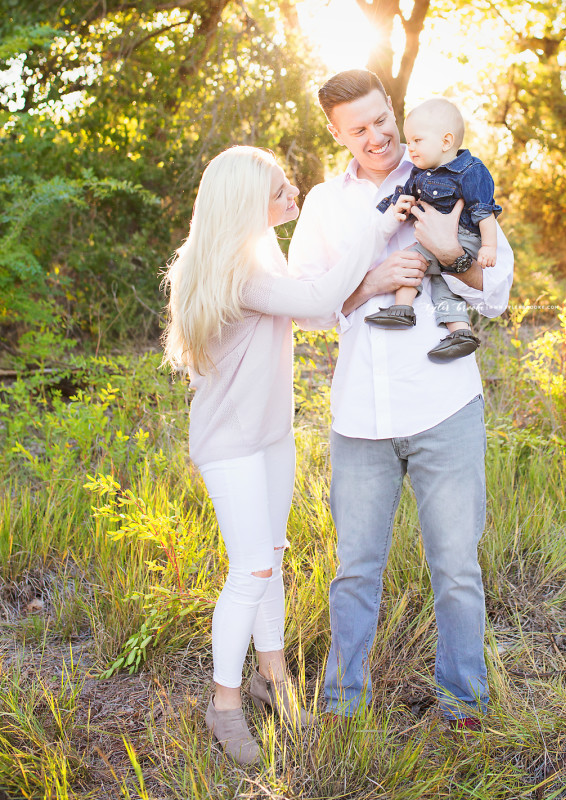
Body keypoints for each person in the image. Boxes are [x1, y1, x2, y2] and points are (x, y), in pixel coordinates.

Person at [161, 145, 411, 765]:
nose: (293, 191)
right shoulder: (231, 272)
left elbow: (317, 303)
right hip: (231, 444)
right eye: (280, 188)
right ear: (249, 202)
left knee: (270, 557)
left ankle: (273, 681)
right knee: (250, 570)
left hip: (268, 433)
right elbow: (319, 296)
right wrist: (377, 229)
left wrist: (356, 278)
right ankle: (224, 704)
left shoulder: (255, 253)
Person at [288, 69, 514, 727]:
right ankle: (341, 708)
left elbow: (494, 289)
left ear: (394, 109)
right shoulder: (327, 205)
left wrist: (448, 251)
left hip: (445, 404)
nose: (378, 136)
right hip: (360, 417)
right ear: (336, 133)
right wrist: (368, 284)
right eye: (358, 129)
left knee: (457, 571)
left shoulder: (452, 172)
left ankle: (464, 704)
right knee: (354, 571)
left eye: (382, 119)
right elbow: (303, 307)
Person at [364, 96, 502, 362]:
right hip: (439, 244)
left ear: (446, 141)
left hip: (465, 238)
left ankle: (402, 309)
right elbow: (406, 195)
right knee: (443, 284)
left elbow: (485, 212)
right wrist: (395, 207)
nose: (411, 148)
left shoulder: (472, 171)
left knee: (412, 259)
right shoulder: (420, 172)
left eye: (418, 140)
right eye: (410, 140)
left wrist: (488, 247)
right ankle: (460, 332)